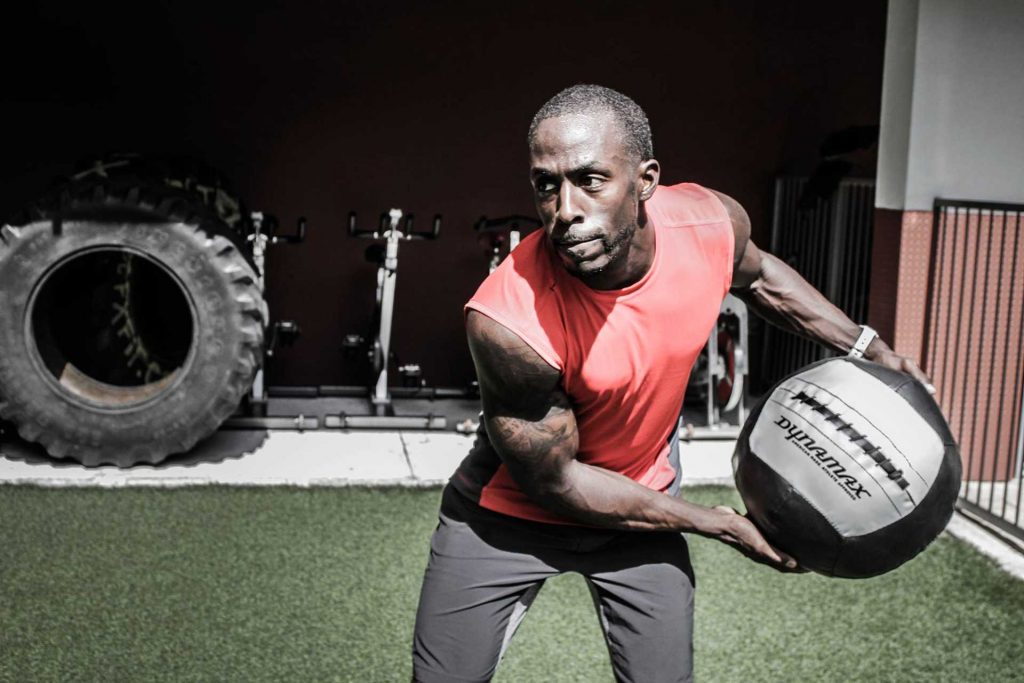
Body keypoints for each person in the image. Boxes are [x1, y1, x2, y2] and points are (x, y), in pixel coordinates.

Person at [411, 84, 931, 683]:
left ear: (647, 180)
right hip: (507, 519)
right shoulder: (509, 321)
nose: (565, 210)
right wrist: (718, 522)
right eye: (546, 185)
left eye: (591, 180)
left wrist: (863, 345)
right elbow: (556, 481)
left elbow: (761, 279)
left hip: (638, 510)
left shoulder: (709, 224)